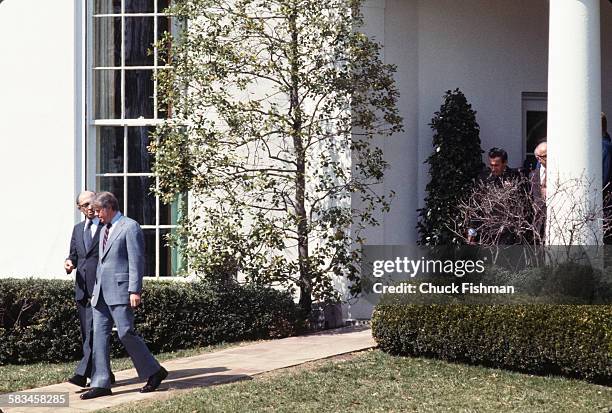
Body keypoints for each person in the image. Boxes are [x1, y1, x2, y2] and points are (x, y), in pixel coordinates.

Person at [80, 192, 167, 400]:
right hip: (100, 293)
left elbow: (136, 261)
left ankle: (155, 372)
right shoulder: (103, 230)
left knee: (126, 332)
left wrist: (134, 290)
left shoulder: (130, 226)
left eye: (99, 211)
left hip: (121, 290)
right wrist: (95, 289)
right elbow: (102, 263)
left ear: (109, 208)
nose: (96, 215)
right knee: (99, 336)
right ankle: (101, 382)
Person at [64, 191, 114, 387]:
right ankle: (105, 373)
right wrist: (69, 263)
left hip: (100, 288)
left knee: (95, 332)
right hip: (82, 289)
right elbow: (74, 255)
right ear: (80, 208)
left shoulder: (107, 226)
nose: (91, 207)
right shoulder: (77, 229)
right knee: (89, 334)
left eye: (93, 202)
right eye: (85, 204)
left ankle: (82, 373)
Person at [530, 141, 547, 241]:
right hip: (539, 225)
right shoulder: (532, 176)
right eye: (545, 156)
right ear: (538, 158)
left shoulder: (559, 172)